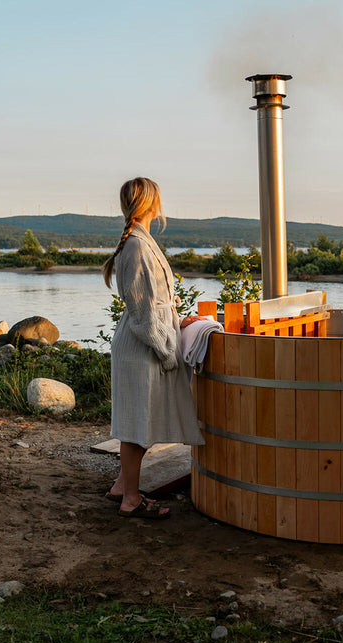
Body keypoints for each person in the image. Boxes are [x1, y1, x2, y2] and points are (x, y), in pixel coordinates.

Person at [103, 177, 205, 519]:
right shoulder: (137, 247)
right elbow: (144, 314)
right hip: (143, 346)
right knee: (137, 424)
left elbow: (153, 307)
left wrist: (178, 323)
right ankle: (131, 498)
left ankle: (122, 484)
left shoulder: (137, 243)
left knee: (140, 418)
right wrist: (167, 348)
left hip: (144, 341)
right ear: (152, 205)